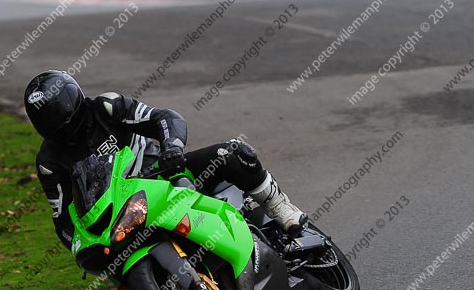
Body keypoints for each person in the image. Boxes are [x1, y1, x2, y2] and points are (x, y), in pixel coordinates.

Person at [23, 70, 308, 253]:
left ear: (72, 100)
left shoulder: (105, 107)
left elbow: (164, 117)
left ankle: (280, 207)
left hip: (164, 176)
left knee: (232, 153)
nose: (56, 122)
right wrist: (81, 245)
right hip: (121, 216)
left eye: (57, 111)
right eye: (45, 118)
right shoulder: (48, 161)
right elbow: (62, 219)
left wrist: (171, 146)